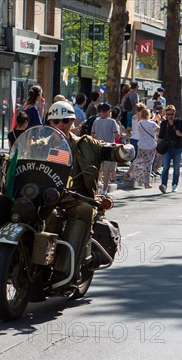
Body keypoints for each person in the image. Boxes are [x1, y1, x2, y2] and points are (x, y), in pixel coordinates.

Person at [44, 101, 134, 284]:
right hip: (43, 196)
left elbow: (104, 148)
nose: (61, 125)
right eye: (56, 121)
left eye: (66, 121)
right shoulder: (37, 144)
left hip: (73, 197)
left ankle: (66, 269)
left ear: (72, 122)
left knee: (85, 210)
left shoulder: (85, 145)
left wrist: (120, 150)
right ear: (50, 123)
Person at [158, 104, 182, 193]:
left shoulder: (180, 122)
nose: (170, 116)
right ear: (166, 114)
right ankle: (163, 185)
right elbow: (160, 136)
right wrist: (157, 148)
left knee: (176, 168)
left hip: (177, 148)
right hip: (166, 148)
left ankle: (175, 185)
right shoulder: (164, 123)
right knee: (165, 168)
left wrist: (181, 134)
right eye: (168, 114)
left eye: (171, 114)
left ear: (174, 113)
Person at [91, 103, 120, 195]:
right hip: (109, 147)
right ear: (108, 111)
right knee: (107, 170)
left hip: (99, 146)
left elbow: (92, 134)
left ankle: (98, 184)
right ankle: (104, 190)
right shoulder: (112, 122)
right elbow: (116, 135)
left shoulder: (96, 121)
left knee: (99, 167)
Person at [130, 108, 159, 188]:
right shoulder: (152, 124)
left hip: (141, 145)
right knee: (148, 164)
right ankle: (146, 182)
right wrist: (157, 120)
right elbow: (159, 130)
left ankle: (136, 178)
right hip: (151, 145)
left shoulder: (139, 124)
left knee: (139, 161)